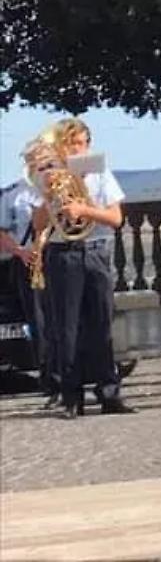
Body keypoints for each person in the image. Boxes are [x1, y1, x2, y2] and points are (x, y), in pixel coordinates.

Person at [32, 118, 135, 417]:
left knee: (101, 323)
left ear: (87, 145)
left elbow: (115, 218)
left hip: (95, 251)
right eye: (69, 144)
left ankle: (109, 393)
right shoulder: (49, 177)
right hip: (62, 253)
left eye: (80, 143)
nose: (75, 149)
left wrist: (83, 210)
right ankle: (71, 397)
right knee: (67, 328)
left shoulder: (100, 175)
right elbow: (38, 225)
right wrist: (48, 196)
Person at [0, 157, 52, 400]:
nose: (42, 167)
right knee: (38, 322)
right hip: (27, 262)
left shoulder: (63, 188)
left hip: (60, 258)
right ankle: (49, 378)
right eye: (36, 162)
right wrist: (20, 252)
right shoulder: (14, 194)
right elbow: (2, 231)